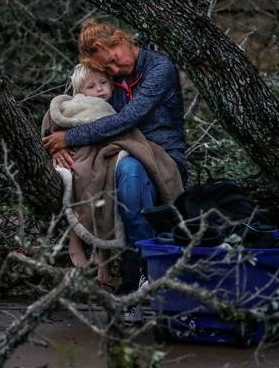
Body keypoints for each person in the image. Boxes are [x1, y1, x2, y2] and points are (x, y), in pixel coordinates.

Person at [43, 20, 188, 322]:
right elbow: (84, 110)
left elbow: (129, 118)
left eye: (113, 59)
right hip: (123, 153)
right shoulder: (109, 81)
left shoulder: (159, 68)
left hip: (164, 156)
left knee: (132, 176)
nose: (115, 68)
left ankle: (132, 284)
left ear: (122, 39)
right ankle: (147, 277)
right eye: (106, 69)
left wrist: (69, 138)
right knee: (127, 173)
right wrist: (58, 144)